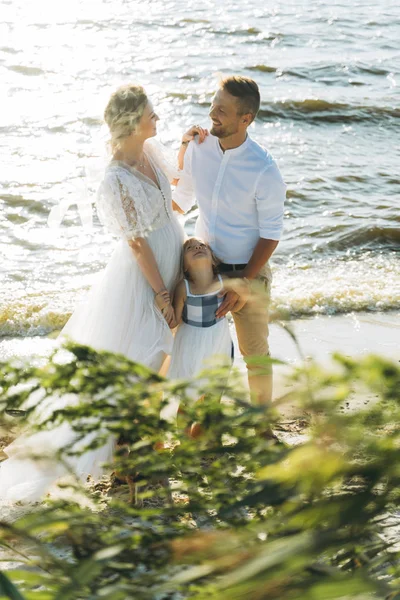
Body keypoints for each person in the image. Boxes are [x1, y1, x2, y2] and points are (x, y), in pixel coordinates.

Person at [0, 84, 205, 502]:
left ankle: (135, 458)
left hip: (170, 264)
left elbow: (178, 202)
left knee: (157, 363)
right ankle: (133, 465)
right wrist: (161, 293)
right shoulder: (114, 177)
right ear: (132, 121)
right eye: (151, 113)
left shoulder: (151, 152)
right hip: (142, 278)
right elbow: (135, 241)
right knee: (142, 364)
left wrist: (186, 149)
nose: (157, 119)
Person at [173, 75, 286, 405]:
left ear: (245, 118)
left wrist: (244, 283)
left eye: (221, 109)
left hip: (249, 272)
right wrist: (182, 147)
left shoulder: (264, 169)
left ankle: (261, 427)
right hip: (204, 272)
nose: (212, 113)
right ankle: (202, 426)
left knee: (255, 354)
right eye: (212, 104)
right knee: (205, 351)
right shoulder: (199, 148)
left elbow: (271, 234)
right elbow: (181, 199)